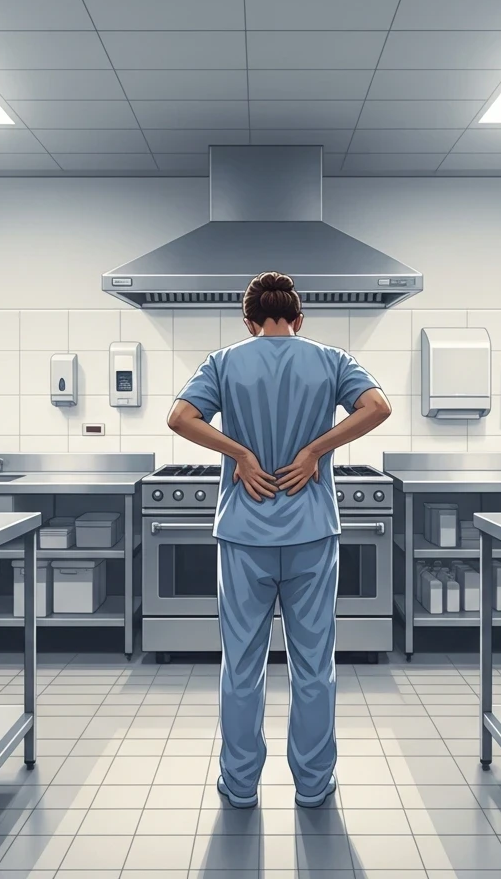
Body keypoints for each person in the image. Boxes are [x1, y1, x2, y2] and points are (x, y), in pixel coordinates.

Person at [167, 270, 392, 809]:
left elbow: (179, 417)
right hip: (312, 531)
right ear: (298, 318)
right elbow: (378, 407)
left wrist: (239, 454)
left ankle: (240, 787)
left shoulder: (223, 362)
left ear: (249, 321)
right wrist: (315, 450)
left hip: (245, 532)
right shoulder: (332, 359)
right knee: (313, 666)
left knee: (242, 665)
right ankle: (314, 787)